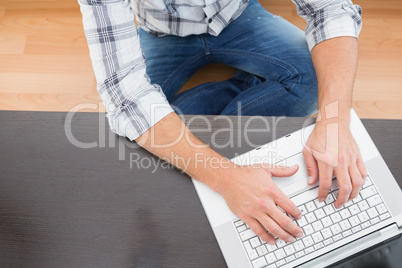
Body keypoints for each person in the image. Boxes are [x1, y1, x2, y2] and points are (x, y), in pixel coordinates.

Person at [78, 0, 367, 245]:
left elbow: (330, 9)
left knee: (316, 81)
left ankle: (205, 125)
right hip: (160, 31)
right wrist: (227, 177)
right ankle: (249, 85)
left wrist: (335, 120)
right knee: (127, 142)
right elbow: (125, 93)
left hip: (239, 17)